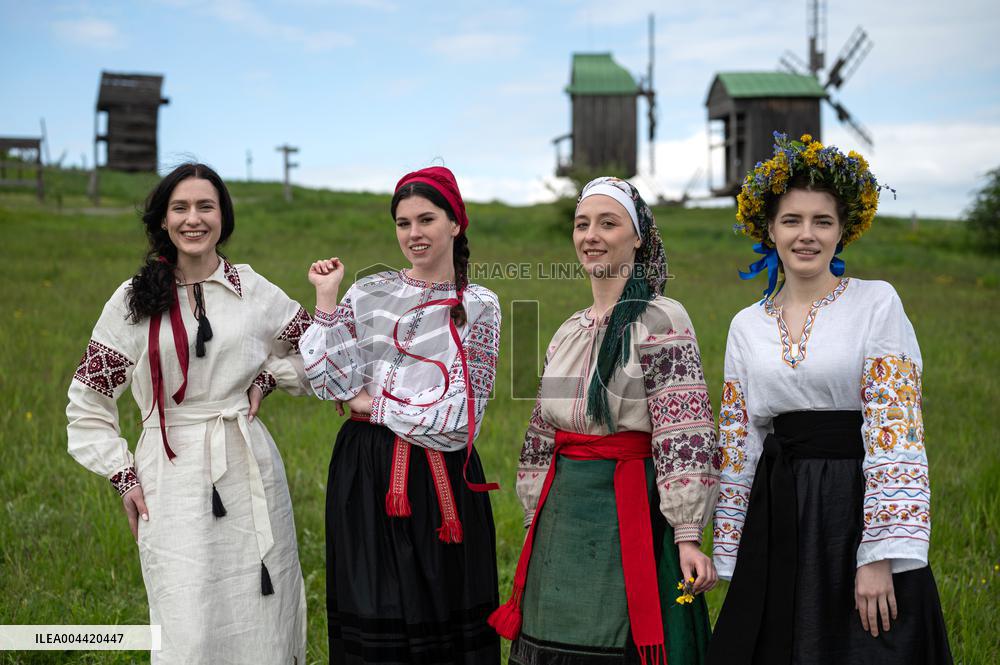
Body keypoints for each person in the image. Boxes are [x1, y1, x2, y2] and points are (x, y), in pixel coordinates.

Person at [708, 133, 953, 664]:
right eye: (792, 220)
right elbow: (738, 440)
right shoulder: (746, 326)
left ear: (843, 231)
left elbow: (896, 431)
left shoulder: (876, 303)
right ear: (768, 229)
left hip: (855, 501)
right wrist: (732, 549)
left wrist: (879, 556)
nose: (806, 235)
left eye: (823, 221)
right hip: (781, 508)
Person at [67, 163, 310, 664]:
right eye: (180, 208)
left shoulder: (252, 289)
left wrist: (266, 378)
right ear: (163, 219)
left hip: (247, 466)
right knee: (187, 619)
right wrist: (122, 475)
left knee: (264, 610)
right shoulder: (134, 299)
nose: (193, 219)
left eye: (206, 206)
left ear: (223, 217)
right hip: (169, 475)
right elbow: (88, 401)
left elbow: (315, 352)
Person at [490, 177, 718, 665]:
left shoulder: (661, 320)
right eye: (582, 224)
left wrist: (687, 534)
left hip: (628, 508)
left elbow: (686, 431)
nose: (591, 235)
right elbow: (540, 435)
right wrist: (534, 515)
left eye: (607, 223)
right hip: (561, 515)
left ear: (637, 237)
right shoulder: (568, 331)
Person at [299, 166, 501, 664]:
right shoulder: (369, 293)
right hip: (365, 472)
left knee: (441, 610)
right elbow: (332, 384)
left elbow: (459, 420)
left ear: (456, 223)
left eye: (427, 219)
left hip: (441, 478)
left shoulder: (478, 305)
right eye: (403, 222)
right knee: (374, 606)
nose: (414, 233)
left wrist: (377, 404)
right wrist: (327, 301)